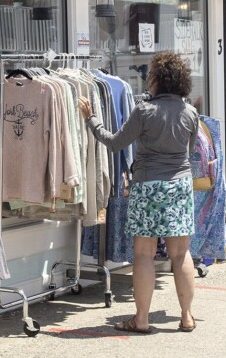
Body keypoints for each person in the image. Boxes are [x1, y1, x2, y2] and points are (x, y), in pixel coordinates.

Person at [78, 50, 200, 333]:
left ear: (158, 79)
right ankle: (187, 316)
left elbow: (114, 142)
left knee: (144, 254)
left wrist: (91, 118)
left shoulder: (145, 111)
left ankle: (142, 319)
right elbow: (189, 153)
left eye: (152, 75)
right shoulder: (190, 113)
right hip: (180, 186)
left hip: (147, 185)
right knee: (181, 254)